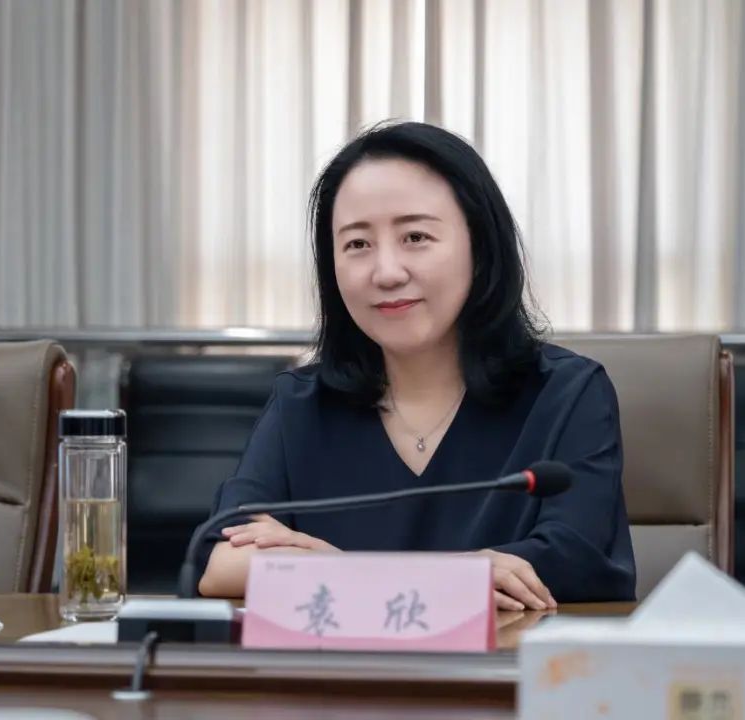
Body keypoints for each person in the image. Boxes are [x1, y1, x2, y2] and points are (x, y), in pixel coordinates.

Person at [196, 122, 635, 609]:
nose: (386, 272)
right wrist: (409, 576)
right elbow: (222, 564)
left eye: (416, 236)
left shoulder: (566, 394)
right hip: (343, 662)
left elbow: (572, 558)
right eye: (357, 244)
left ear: (480, 246)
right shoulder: (302, 405)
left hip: (509, 659)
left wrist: (334, 570)